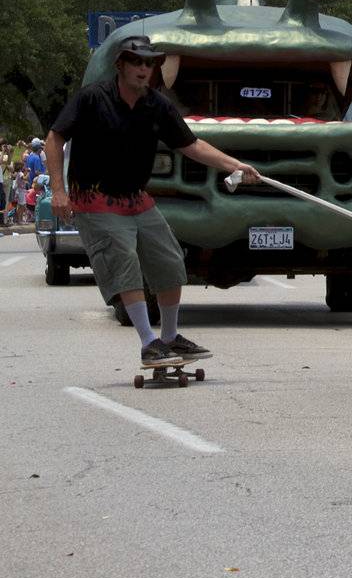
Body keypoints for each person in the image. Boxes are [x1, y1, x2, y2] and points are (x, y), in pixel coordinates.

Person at [44, 37, 261, 366]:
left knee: (170, 260)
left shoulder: (158, 105)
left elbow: (191, 145)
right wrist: (58, 191)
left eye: (149, 63)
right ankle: (149, 342)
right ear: (121, 65)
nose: (144, 69)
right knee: (125, 259)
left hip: (135, 198)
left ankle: (170, 337)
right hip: (95, 199)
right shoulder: (92, 98)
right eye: (137, 62)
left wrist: (236, 166)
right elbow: (54, 138)